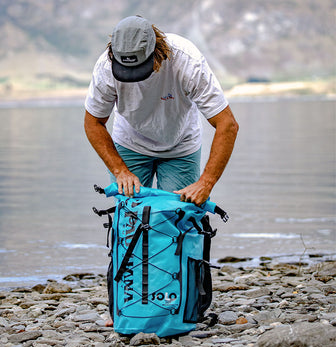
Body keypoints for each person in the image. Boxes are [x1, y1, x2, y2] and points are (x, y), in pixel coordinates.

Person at [84, 15, 238, 207]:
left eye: (140, 69)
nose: (134, 78)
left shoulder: (188, 61)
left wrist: (206, 183)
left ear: (158, 51)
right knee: (130, 218)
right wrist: (119, 170)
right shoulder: (105, 68)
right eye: (127, 69)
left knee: (179, 216)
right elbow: (93, 122)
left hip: (180, 146)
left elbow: (227, 124)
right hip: (130, 144)